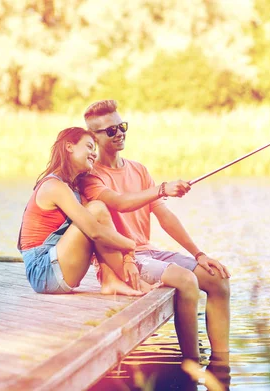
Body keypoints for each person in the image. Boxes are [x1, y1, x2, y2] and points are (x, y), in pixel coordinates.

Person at [79, 100, 231, 360]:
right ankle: (192, 364)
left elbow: (165, 216)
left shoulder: (138, 169)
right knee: (186, 280)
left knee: (218, 280)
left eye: (122, 126)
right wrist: (161, 188)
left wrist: (199, 254)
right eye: (111, 131)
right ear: (93, 137)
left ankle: (220, 363)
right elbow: (121, 203)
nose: (120, 133)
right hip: (123, 258)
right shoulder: (91, 177)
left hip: (149, 252)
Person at [17, 126, 159, 296]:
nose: (94, 154)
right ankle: (132, 282)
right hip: (43, 272)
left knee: (96, 210)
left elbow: (98, 233)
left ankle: (111, 281)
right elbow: (95, 232)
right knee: (96, 211)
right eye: (89, 147)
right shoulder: (53, 186)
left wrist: (128, 254)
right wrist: (130, 246)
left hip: (56, 268)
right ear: (69, 147)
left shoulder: (72, 189)